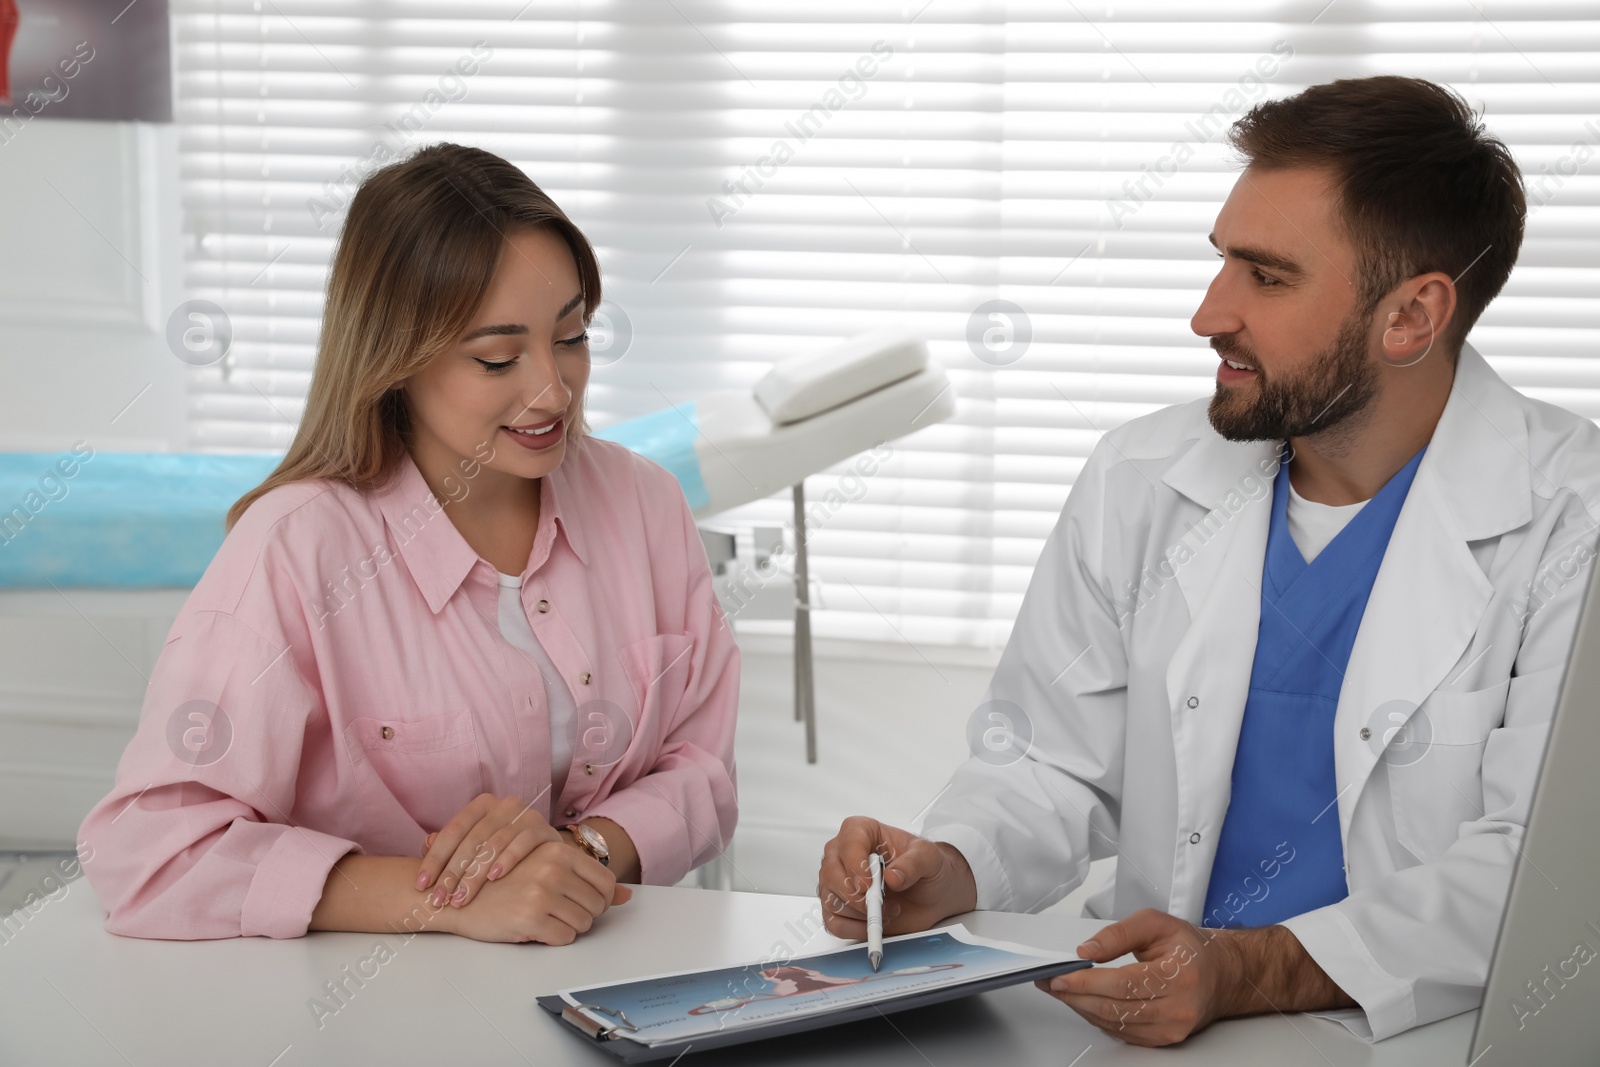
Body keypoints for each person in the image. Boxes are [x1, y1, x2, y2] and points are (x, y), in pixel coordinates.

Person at [818, 75, 1600, 1045]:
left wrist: (1242, 967)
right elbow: (1051, 758)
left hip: (1422, 1033)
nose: (1207, 312)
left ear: (1410, 317)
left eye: (1265, 277)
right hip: (1151, 1021)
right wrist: (953, 859)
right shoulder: (1139, 478)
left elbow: (1543, 866)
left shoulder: (1573, 519)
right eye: (1221, 260)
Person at [78, 144, 740, 945]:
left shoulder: (643, 503)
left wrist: (580, 855)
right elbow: (150, 852)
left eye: (571, 337)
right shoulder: (296, 552)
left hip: (603, 979)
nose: (552, 390)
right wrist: (448, 896)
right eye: (497, 357)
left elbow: (702, 765)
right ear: (395, 362)